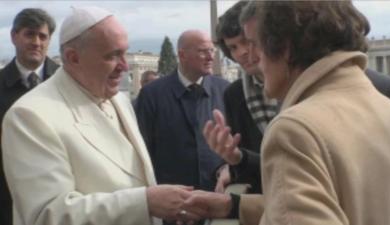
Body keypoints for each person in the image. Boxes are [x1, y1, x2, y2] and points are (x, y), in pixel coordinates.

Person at [185, 1, 390, 225]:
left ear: (284, 46)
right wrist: (234, 206)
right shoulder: (387, 108)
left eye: (255, 43)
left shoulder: (294, 130)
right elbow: (345, 202)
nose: (253, 56)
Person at [1, 6, 202, 225]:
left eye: (125, 53)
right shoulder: (29, 115)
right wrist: (144, 203)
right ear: (73, 57)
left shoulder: (119, 100)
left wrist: (163, 211)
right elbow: (47, 215)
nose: (124, 67)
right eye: (113, 56)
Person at [134, 30, 229, 192]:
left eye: (212, 50)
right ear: (182, 55)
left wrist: (228, 169)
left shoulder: (225, 90)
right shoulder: (152, 95)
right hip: (172, 204)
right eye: (202, 51)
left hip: (219, 197)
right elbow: (142, 152)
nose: (210, 57)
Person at [212, 0, 279, 194]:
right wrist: (230, 165)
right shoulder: (234, 94)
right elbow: (242, 161)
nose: (241, 52)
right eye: (232, 47)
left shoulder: (297, 81)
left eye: (246, 42)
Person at [0, 8, 58, 225]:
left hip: (58, 196)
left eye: (43, 36)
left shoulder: (68, 84)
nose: (36, 42)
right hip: (8, 199)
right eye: (29, 34)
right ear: (14, 36)